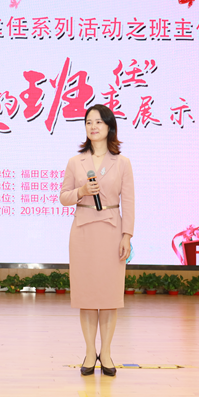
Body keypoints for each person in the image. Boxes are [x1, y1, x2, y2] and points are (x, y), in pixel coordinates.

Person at [59, 104, 135, 376]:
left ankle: (108, 353)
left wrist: (127, 235)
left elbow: (129, 202)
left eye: (99, 122)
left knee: (109, 296)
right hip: (83, 232)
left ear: (109, 127)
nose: (93, 127)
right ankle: (90, 352)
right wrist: (81, 190)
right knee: (88, 296)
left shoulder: (122, 163)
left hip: (112, 231)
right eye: (89, 122)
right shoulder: (75, 162)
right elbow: (63, 197)